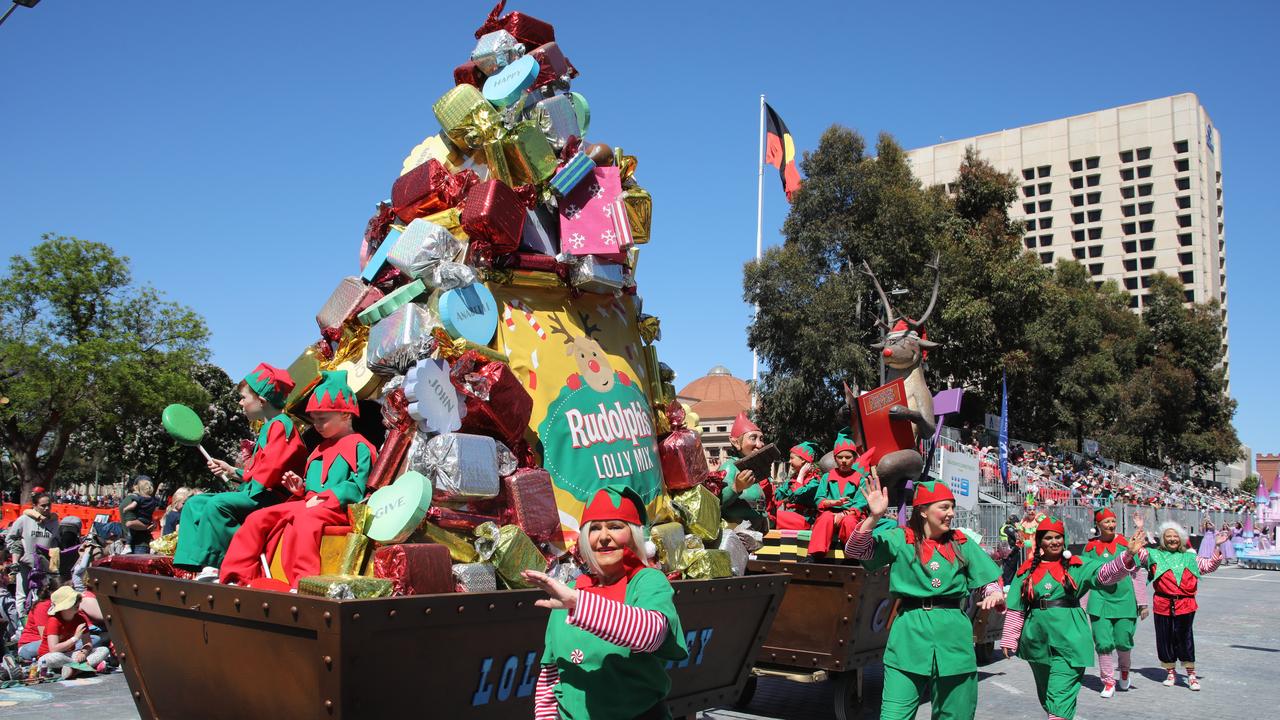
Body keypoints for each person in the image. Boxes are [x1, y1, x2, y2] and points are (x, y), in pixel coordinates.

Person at [843, 475, 1006, 720]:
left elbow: (987, 581)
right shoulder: (900, 538)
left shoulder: (962, 542)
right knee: (894, 715)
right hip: (909, 631)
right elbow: (855, 550)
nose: (951, 513)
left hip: (954, 634)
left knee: (956, 714)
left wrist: (993, 593)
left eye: (952, 507)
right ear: (923, 511)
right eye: (944, 507)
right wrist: (874, 517)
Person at [524, 485, 688, 720]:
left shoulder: (647, 581)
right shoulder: (571, 591)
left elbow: (651, 634)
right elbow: (552, 676)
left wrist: (579, 605)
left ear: (633, 534)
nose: (603, 537)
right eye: (595, 528)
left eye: (615, 527)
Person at [219, 370, 375, 588]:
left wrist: (327, 497)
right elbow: (313, 485)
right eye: (314, 421)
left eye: (323, 419)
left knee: (305, 521)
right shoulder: (318, 449)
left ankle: (304, 581)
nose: (317, 426)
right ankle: (237, 576)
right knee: (258, 518)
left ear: (346, 415)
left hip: (337, 510)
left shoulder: (361, 447)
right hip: (307, 505)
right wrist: (300, 488)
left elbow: (358, 487)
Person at [1000, 516, 1143, 720]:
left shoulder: (1076, 565)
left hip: (1070, 639)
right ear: (1040, 541)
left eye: (1058, 537)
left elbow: (1104, 574)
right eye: (1048, 538)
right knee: (1047, 696)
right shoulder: (1027, 571)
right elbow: (1016, 607)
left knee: (1059, 697)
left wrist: (1126, 556)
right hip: (1036, 641)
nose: (1054, 541)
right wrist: (1009, 638)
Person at [174, 363, 307, 579]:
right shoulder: (270, 427)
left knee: (219, 505)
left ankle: (222, 562)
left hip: (273, 498)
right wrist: (232, 470)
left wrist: (240, 475)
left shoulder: (281, 425)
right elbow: (258, 471)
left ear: (261, 401)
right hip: (257, 494)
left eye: (244, 397)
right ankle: (193, 564)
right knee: (194, 504)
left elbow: (271, 469)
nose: (241, 403)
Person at [1122, 517, 1228, 691]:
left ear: (1181, 538)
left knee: (1184, 638)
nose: (1172, 539)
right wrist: (1139, 528)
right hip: (1162, 603)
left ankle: (1191, 675)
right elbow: (1136, 550)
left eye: (1175, 536)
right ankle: (1170, 672)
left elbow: (1209, 566)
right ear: (1163, 539)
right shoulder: (1154, 555)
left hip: (1186, 604)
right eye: (1168, 536)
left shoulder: (1190, 557)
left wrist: (1217, 545)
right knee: (1165, 638)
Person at [1080, 508, 1148, 698]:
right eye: (1106, 522)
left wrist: (1142, 603)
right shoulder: (1090, 547)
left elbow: (1136, 574)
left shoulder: (1127, 544)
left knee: (1123, 640)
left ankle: (1124, 671)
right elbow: (1085, 576)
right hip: (1099, 599)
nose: (1110, 525)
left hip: (1125, 599)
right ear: (1098, 525)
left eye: (1112, 521)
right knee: (1103, 642)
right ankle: (1108, 681)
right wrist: (1082, 604)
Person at [793, 437, 875, 559]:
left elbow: (861, 503)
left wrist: (844, 514)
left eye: (848, 457)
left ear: (854, 459)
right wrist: (831, 503)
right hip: (829, 512)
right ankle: (816, 554)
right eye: (840, 457)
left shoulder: (860, 479)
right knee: (824, 519)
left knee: (850, 522)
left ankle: (853, 556)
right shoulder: (826, 477)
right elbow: (819, 499)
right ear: (835, 458)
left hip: (851, 515)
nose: (844, 461)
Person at [4, 492, 59, 623]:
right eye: (43, 506)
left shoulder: (54, 522)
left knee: (43, 594)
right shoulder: (24, 520)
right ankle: (21, 623)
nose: (46, 508)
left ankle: (38, 621)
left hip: (44, 565)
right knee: (22, 593)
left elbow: (56, 542)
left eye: (49, 505)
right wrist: (19, 555)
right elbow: (10, 538)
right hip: (25, 563)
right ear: (34, 505)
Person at [34, 586, 110, 679]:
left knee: (103, 650)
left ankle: (74, 670)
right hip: (52, 656)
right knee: (52, 658)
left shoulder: (80, 619)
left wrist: (83, 653)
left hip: (70, 655)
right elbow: (53, 649)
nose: (78, 603)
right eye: (74, 601)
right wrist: (75, 638)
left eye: (77, 600)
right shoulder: (54, 621)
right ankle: (82, 667)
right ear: (64, 607)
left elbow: (88, 642)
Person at [718, 413, 774, 532]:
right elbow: (717, 502)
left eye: (761, 439)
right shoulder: (730, 467)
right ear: (736, 443)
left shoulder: (754, 468)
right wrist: (736, 487)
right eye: (753, 438)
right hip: (735, 532)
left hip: (755, 533)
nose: (760, 445)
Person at [771, 441, 822, 530]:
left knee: (771, 516)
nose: (789, 461)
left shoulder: (815, 482)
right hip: (790, 517)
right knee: (770, 514)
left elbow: (797, 495)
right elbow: (778, 496)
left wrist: (801, 475)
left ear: (803, 459)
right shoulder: (792, 479)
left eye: (792, 458)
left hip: (805, 521)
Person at [120, 477, 161, 554]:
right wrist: (148, 526)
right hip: (138, 544)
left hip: (139, 544)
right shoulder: (132, 499)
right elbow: (131, 523)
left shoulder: (140, 500)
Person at [1000, 514, 1022, 586]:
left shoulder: (1004, 527)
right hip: (1011, 552)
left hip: (1006, 551)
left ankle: (1007, 585)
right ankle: (1008, 587)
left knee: (1008, 571)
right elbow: (1019, 537)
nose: (1017, 524)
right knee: (1010, 572)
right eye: (1016, 522)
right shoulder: (1009, 528)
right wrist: (1019, 528)